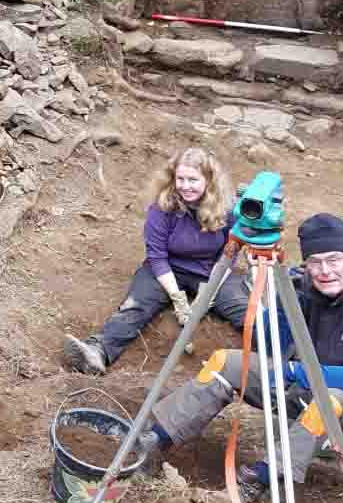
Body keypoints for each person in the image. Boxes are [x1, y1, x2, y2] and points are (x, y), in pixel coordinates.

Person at [142, 213, 343, 501]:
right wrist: (277, 297)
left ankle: (257, 480)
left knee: (329, 401)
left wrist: (293, 371)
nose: (325, 270)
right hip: (309, 387)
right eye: (315, 262)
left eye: (334, 260)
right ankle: (154, 442)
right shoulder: (305, 287)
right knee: (226, 362)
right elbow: (268, 347)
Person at [63, 147, 249, 375]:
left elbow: (230, 252)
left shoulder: (228, 208)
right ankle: (97, 350)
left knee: (244, 310)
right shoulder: (162, 208)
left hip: (212, 269)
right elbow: (157, 256)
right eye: (180, 179)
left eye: (193, 179)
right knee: (136, 305)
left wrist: (209, 290)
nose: (185, 186)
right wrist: (177, 298)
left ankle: (273, 360)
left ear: (209, 181)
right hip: (167, 269)